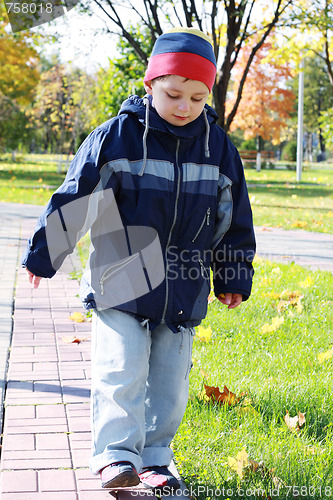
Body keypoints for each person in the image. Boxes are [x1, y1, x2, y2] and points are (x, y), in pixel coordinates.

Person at [22, 27, 256, 494]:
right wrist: (45, 255)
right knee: (121, 369)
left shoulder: (218, 148)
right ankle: (115, 457)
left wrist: (231, 273)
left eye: (196, 96)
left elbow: (234, 219)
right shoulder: (117, 137)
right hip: (121, 279)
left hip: (183, 287)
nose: (185, 106)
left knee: (168, 383)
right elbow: (76, 199)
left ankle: (156, 459)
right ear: (150, 85)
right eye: (173, 94)